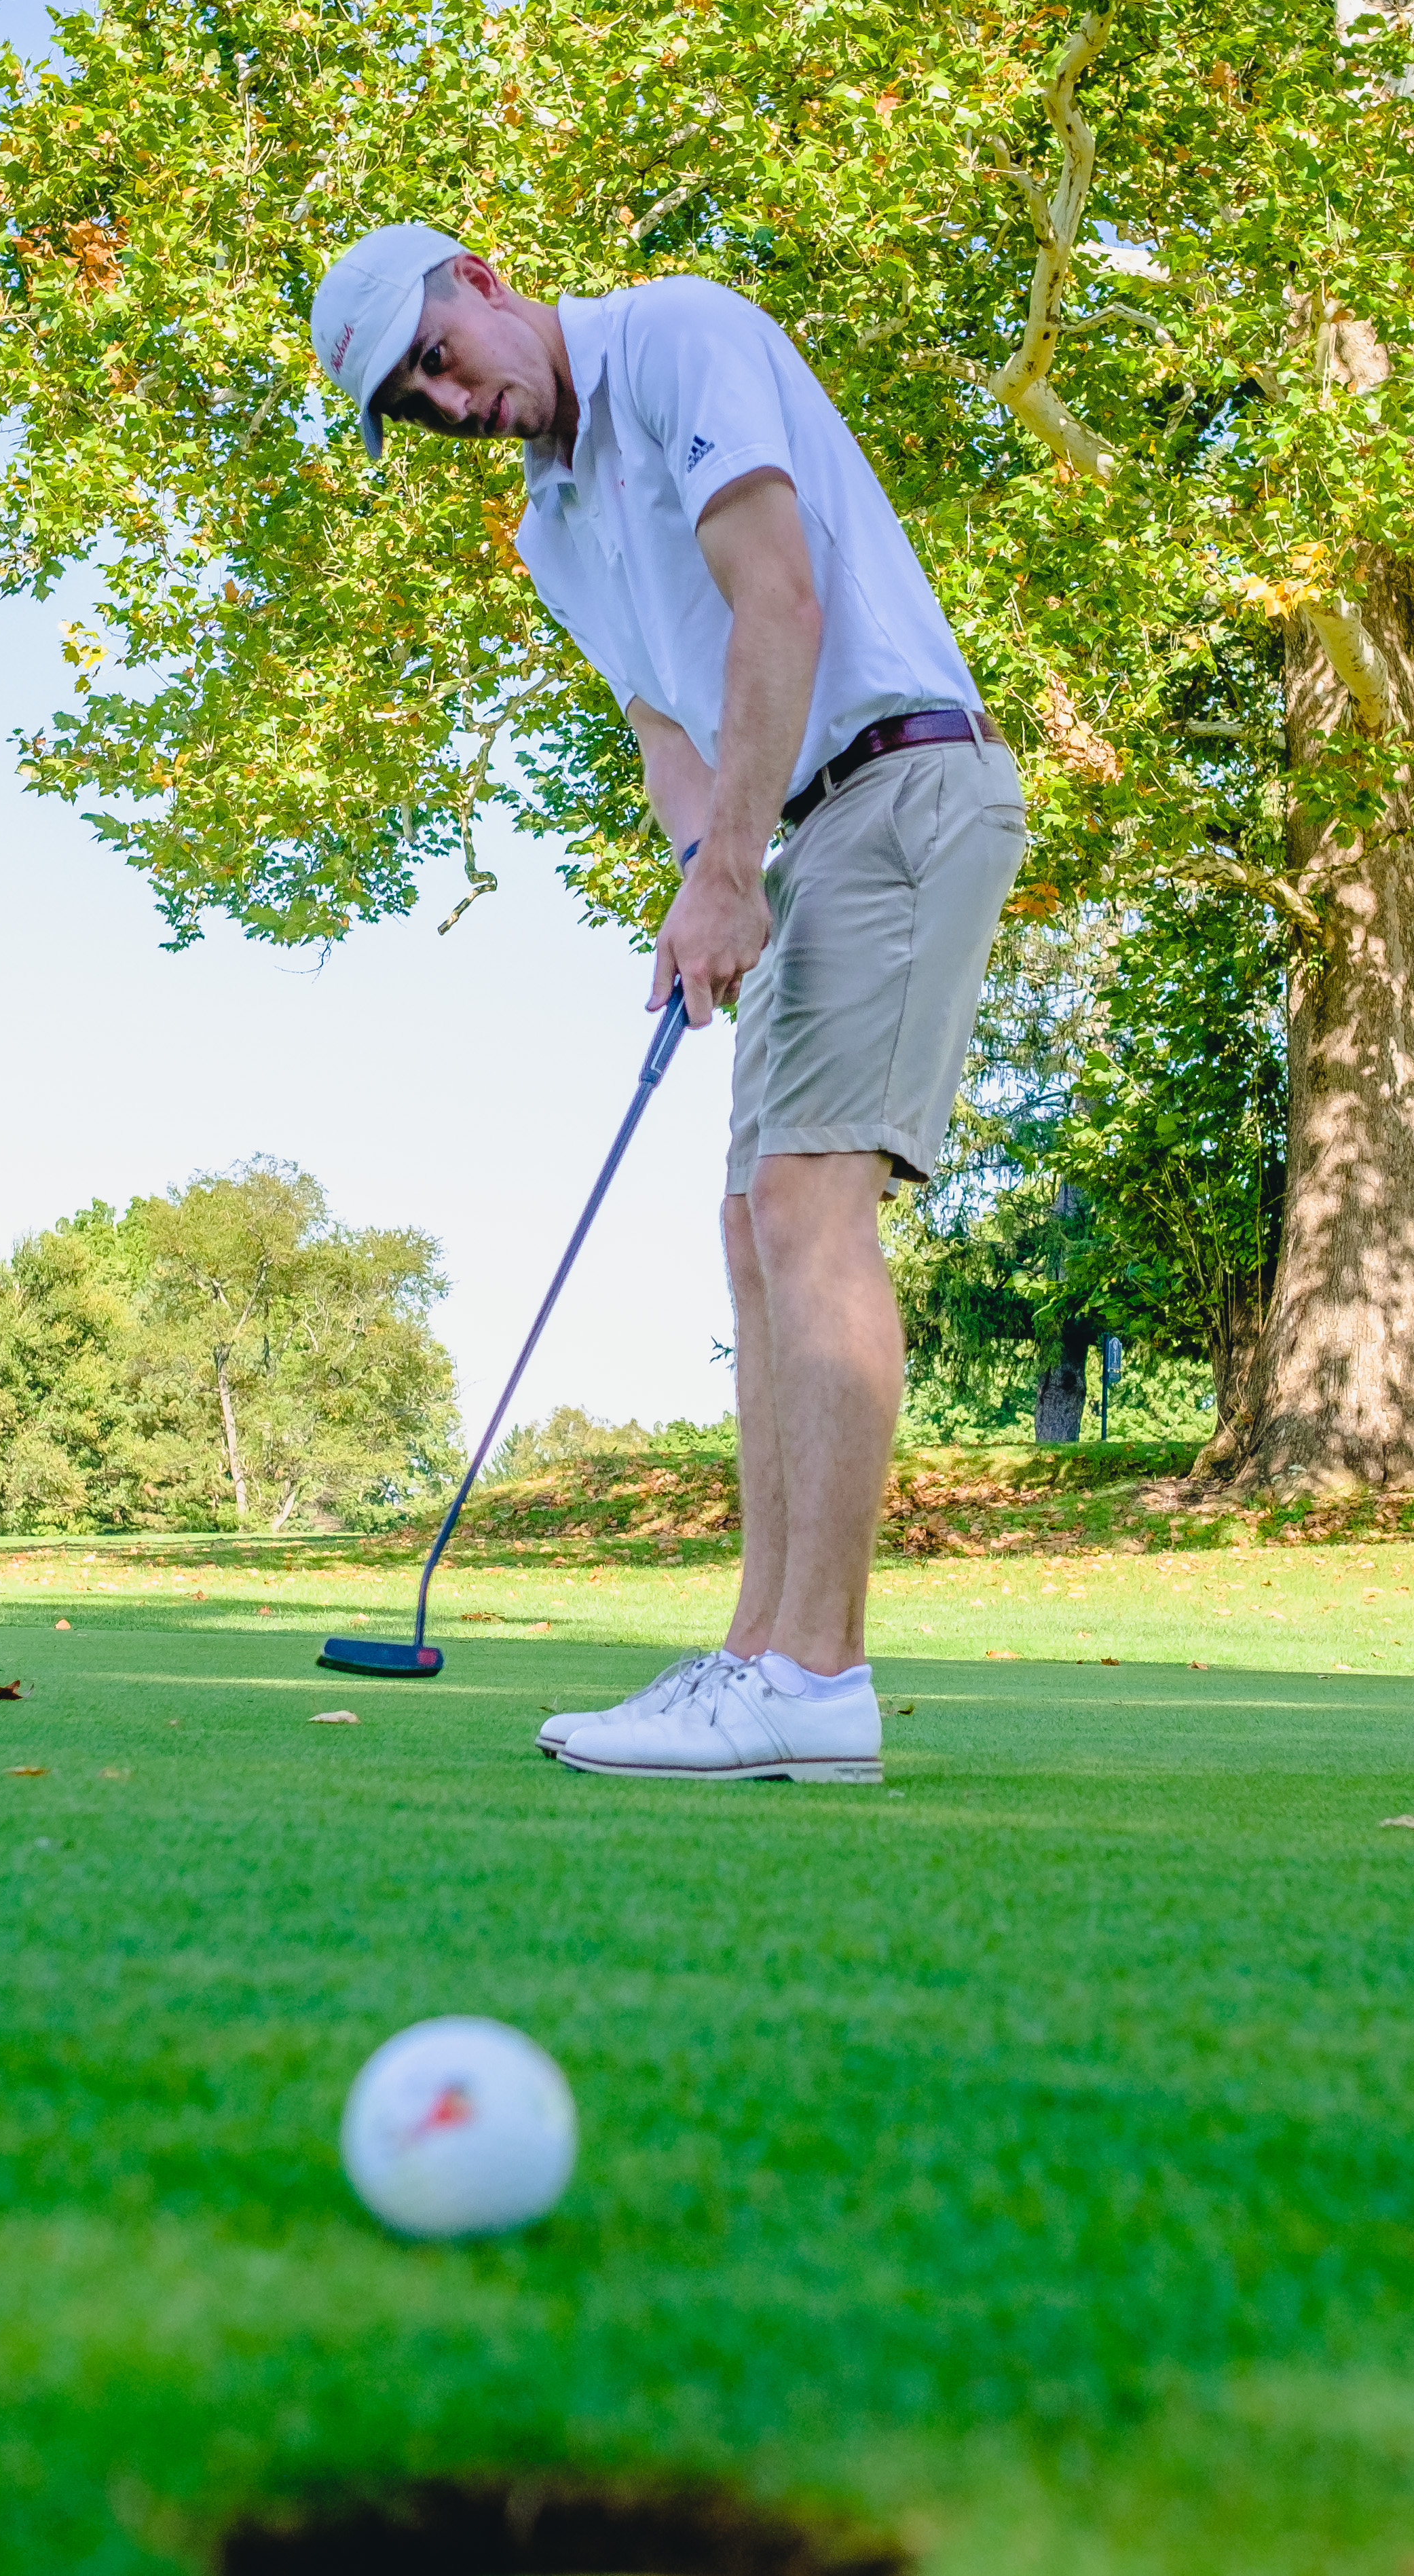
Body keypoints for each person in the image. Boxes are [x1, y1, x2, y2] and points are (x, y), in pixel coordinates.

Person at [306, 223, 1024, 1783]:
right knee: (753, 1223)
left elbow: (781, 606)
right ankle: (758, 1658)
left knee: (810, 1212)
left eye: (437, 357)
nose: (448, 401)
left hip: (900, 782)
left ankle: (816, 1680)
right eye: (412, 405)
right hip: (799, 827)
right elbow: (669, 744)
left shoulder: (682, 338)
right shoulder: (548, 534)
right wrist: (707, 874)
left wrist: (735, 869)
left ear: (483, 280)